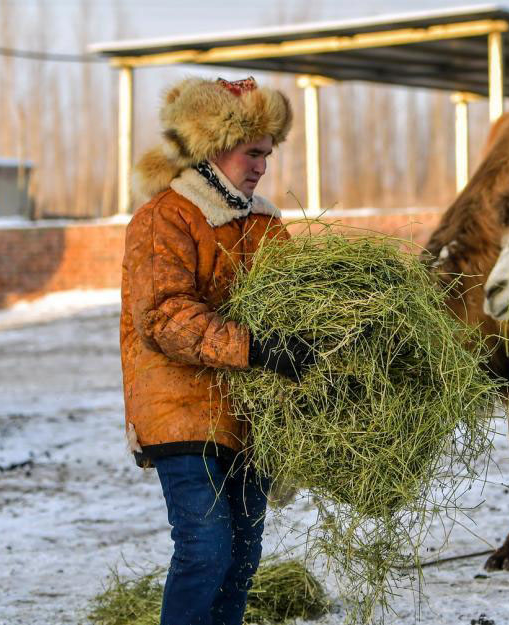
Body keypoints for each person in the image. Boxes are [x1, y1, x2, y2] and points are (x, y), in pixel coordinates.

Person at [119, 76, 310, 625]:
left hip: (249, 415)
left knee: (242, 559)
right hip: (180, 411)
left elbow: (293, 302)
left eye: (268, 155)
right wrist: (257, 349)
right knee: (206, 551)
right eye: (253, 153)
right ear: (214, 146)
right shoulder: (166, 217)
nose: (262, 168)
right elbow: (163, 315)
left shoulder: (266, 224)